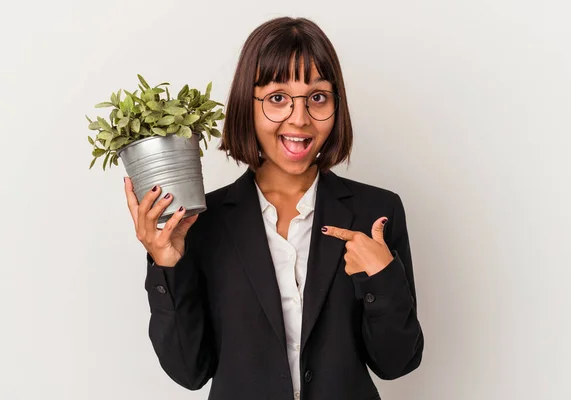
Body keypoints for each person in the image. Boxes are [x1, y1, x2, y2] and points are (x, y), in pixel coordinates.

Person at [124, 16, 424, 400]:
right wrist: (166, 264)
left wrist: (381, 279)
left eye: (317, 97)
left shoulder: (377, 211)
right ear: (246, 105)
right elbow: (190, 371)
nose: (300, 119)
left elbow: (396, 364)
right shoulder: (202, 222)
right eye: (277, 98)